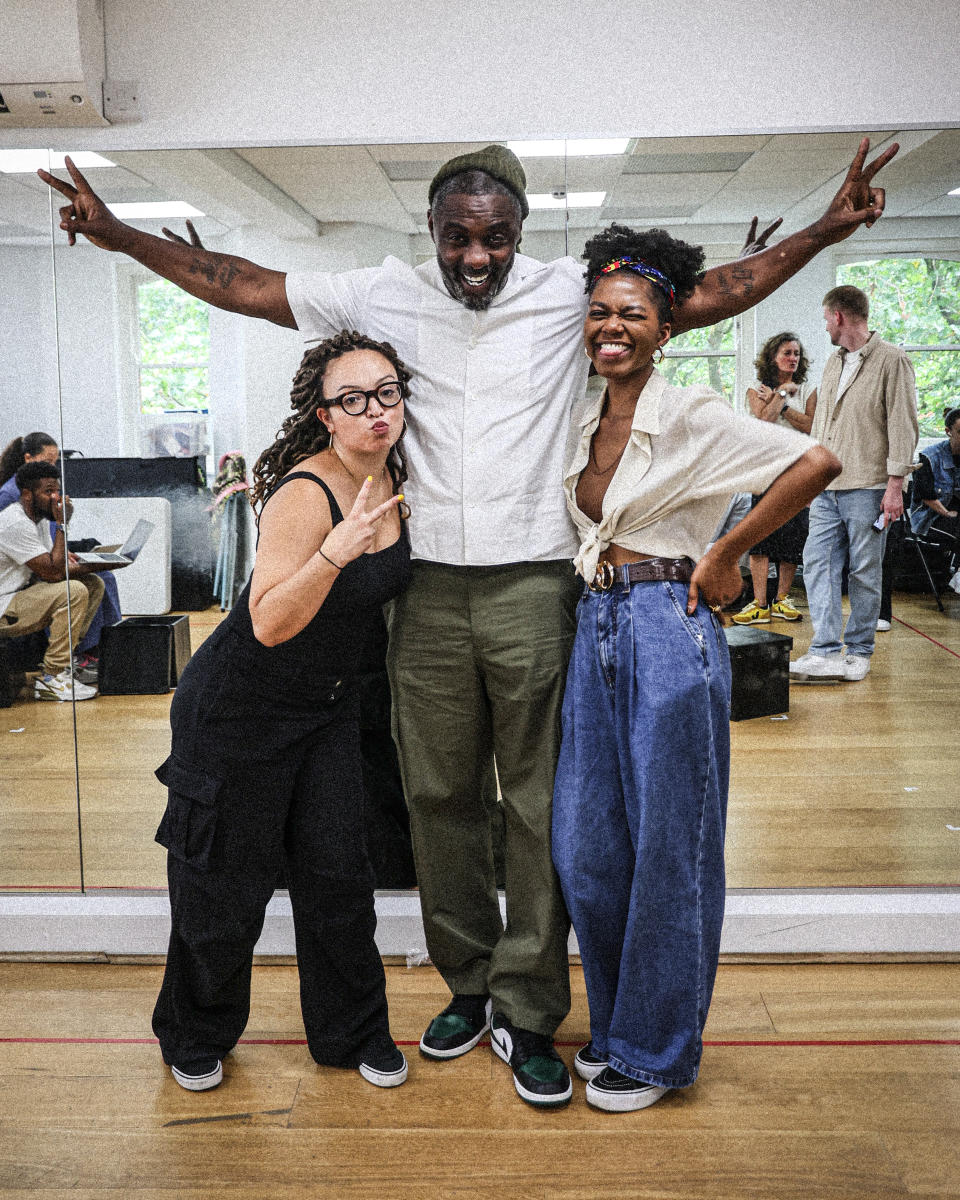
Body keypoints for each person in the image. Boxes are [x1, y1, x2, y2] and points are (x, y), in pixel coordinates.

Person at [40, 137, 896, 1109]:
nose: (475, 258)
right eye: (456, 238)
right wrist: (118, 234)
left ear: (521, 232)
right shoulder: (382, 292)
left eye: (493, 239)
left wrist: (827, 227)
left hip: (538, 585)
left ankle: (529, 1007)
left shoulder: (573, 289)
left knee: (538, 804)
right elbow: (238, 280)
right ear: (433, 232)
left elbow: (712, 292)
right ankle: (469, 985)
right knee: (436, 796)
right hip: (428, 592)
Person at [552, 225, 841, 1112]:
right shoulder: (579, 413)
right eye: (599, 311)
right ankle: (617, 1028)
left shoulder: (692, 410)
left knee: (672, 848)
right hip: (593, 621)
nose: (611, 326)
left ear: (664, 326)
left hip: (667, 625)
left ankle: (656, 1050)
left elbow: (816, 460)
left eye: (630, 313)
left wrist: (727, 554)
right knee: (588, 847)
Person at [151, 330, 412, 1092]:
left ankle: (352, 1033)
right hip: (239, 711)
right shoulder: (308, 492)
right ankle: (194, 1031)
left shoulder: (398, 473)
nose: (375, 412)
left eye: (387, 393)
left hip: (325, 710)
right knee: (224, 889)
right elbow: (267, 622)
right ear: (325, 415)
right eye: (353, 400)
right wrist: (337, 550)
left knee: (339, 878)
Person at [790, 285, 919, 683]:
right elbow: (824, 426)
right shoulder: (833, 363)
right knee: (817, 563)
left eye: (826, 318)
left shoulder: (892, 360)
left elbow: (903, 424)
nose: (825, 325)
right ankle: (825, 649)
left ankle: (859, 651)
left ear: (839, 317)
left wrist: (895, 486)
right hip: (828, 486)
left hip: (870, 484)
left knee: (864, 570)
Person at [0, 431, 122, 681]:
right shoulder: (13, 519)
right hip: (5, 601)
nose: (56, 497)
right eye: (49, 492)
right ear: (27, 495)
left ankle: (72, 658)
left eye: (57, 490)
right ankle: (53, 676)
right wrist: (63, 523)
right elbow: (53, 572)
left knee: (94, 583)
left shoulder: (39, 515)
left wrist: (100, 565)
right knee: (73, 591)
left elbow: (54, 564)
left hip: (23, 589)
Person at [733, 333, 817, 625]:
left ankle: (781, 599)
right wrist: (782, 393)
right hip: (765, 470)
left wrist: (782, 406)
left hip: (797, 470)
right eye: (786, 353)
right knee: (760, 534)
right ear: (773, 357)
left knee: (792, 536)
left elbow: (809, 425)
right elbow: (763, 420)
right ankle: (759, 604)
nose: (793, 358)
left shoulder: (808, 389)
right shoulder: (755, 388)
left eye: (796, 353)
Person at [908, 406, 960, 537]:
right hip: (932, 517)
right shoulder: (930, 457)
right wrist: (947, 514)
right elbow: (927, 496)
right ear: (949, 432)